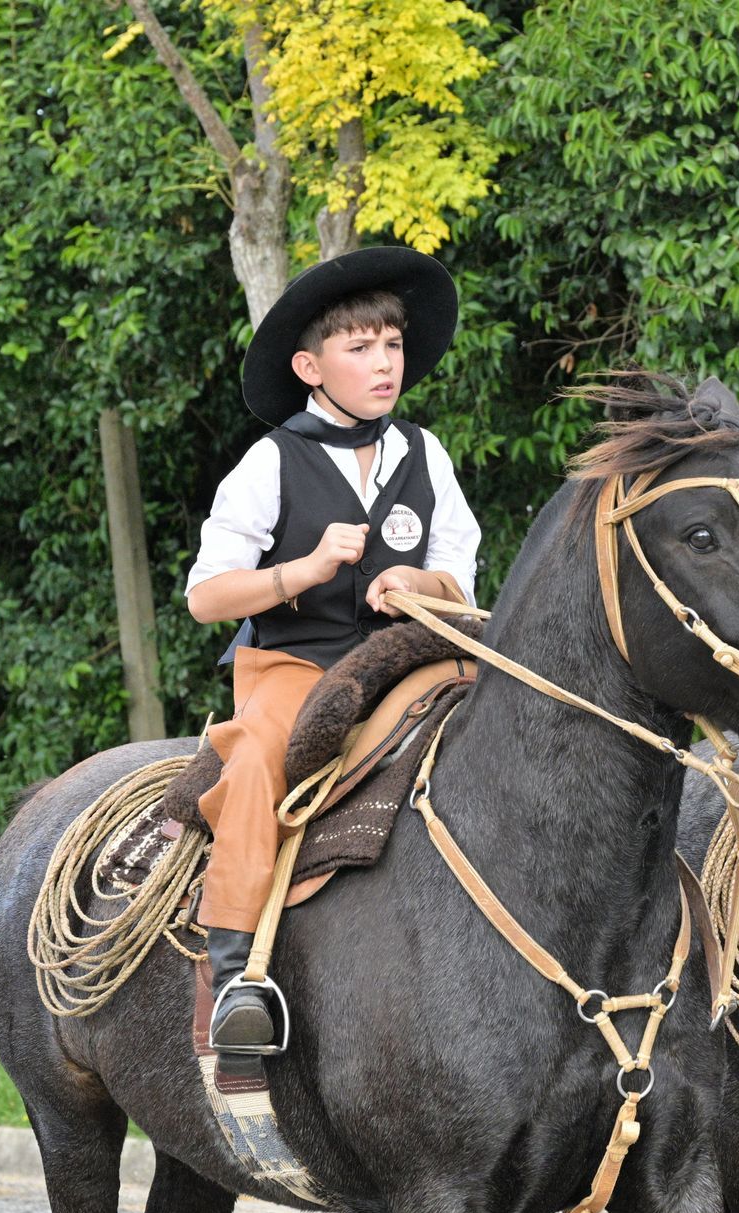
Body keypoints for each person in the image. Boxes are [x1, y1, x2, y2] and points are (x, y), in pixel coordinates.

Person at [184, 247, 482, 1053]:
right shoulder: (270, 461)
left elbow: (459, 577)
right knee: (256, 759)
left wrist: (421, 581)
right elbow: (206, 596)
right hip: (298, 667)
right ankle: (236, 975)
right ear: (310, 368)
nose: (385, 364)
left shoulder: (425, 453)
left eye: (393, 344)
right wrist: (304, 570)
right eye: (361, 348)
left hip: (410, 660)